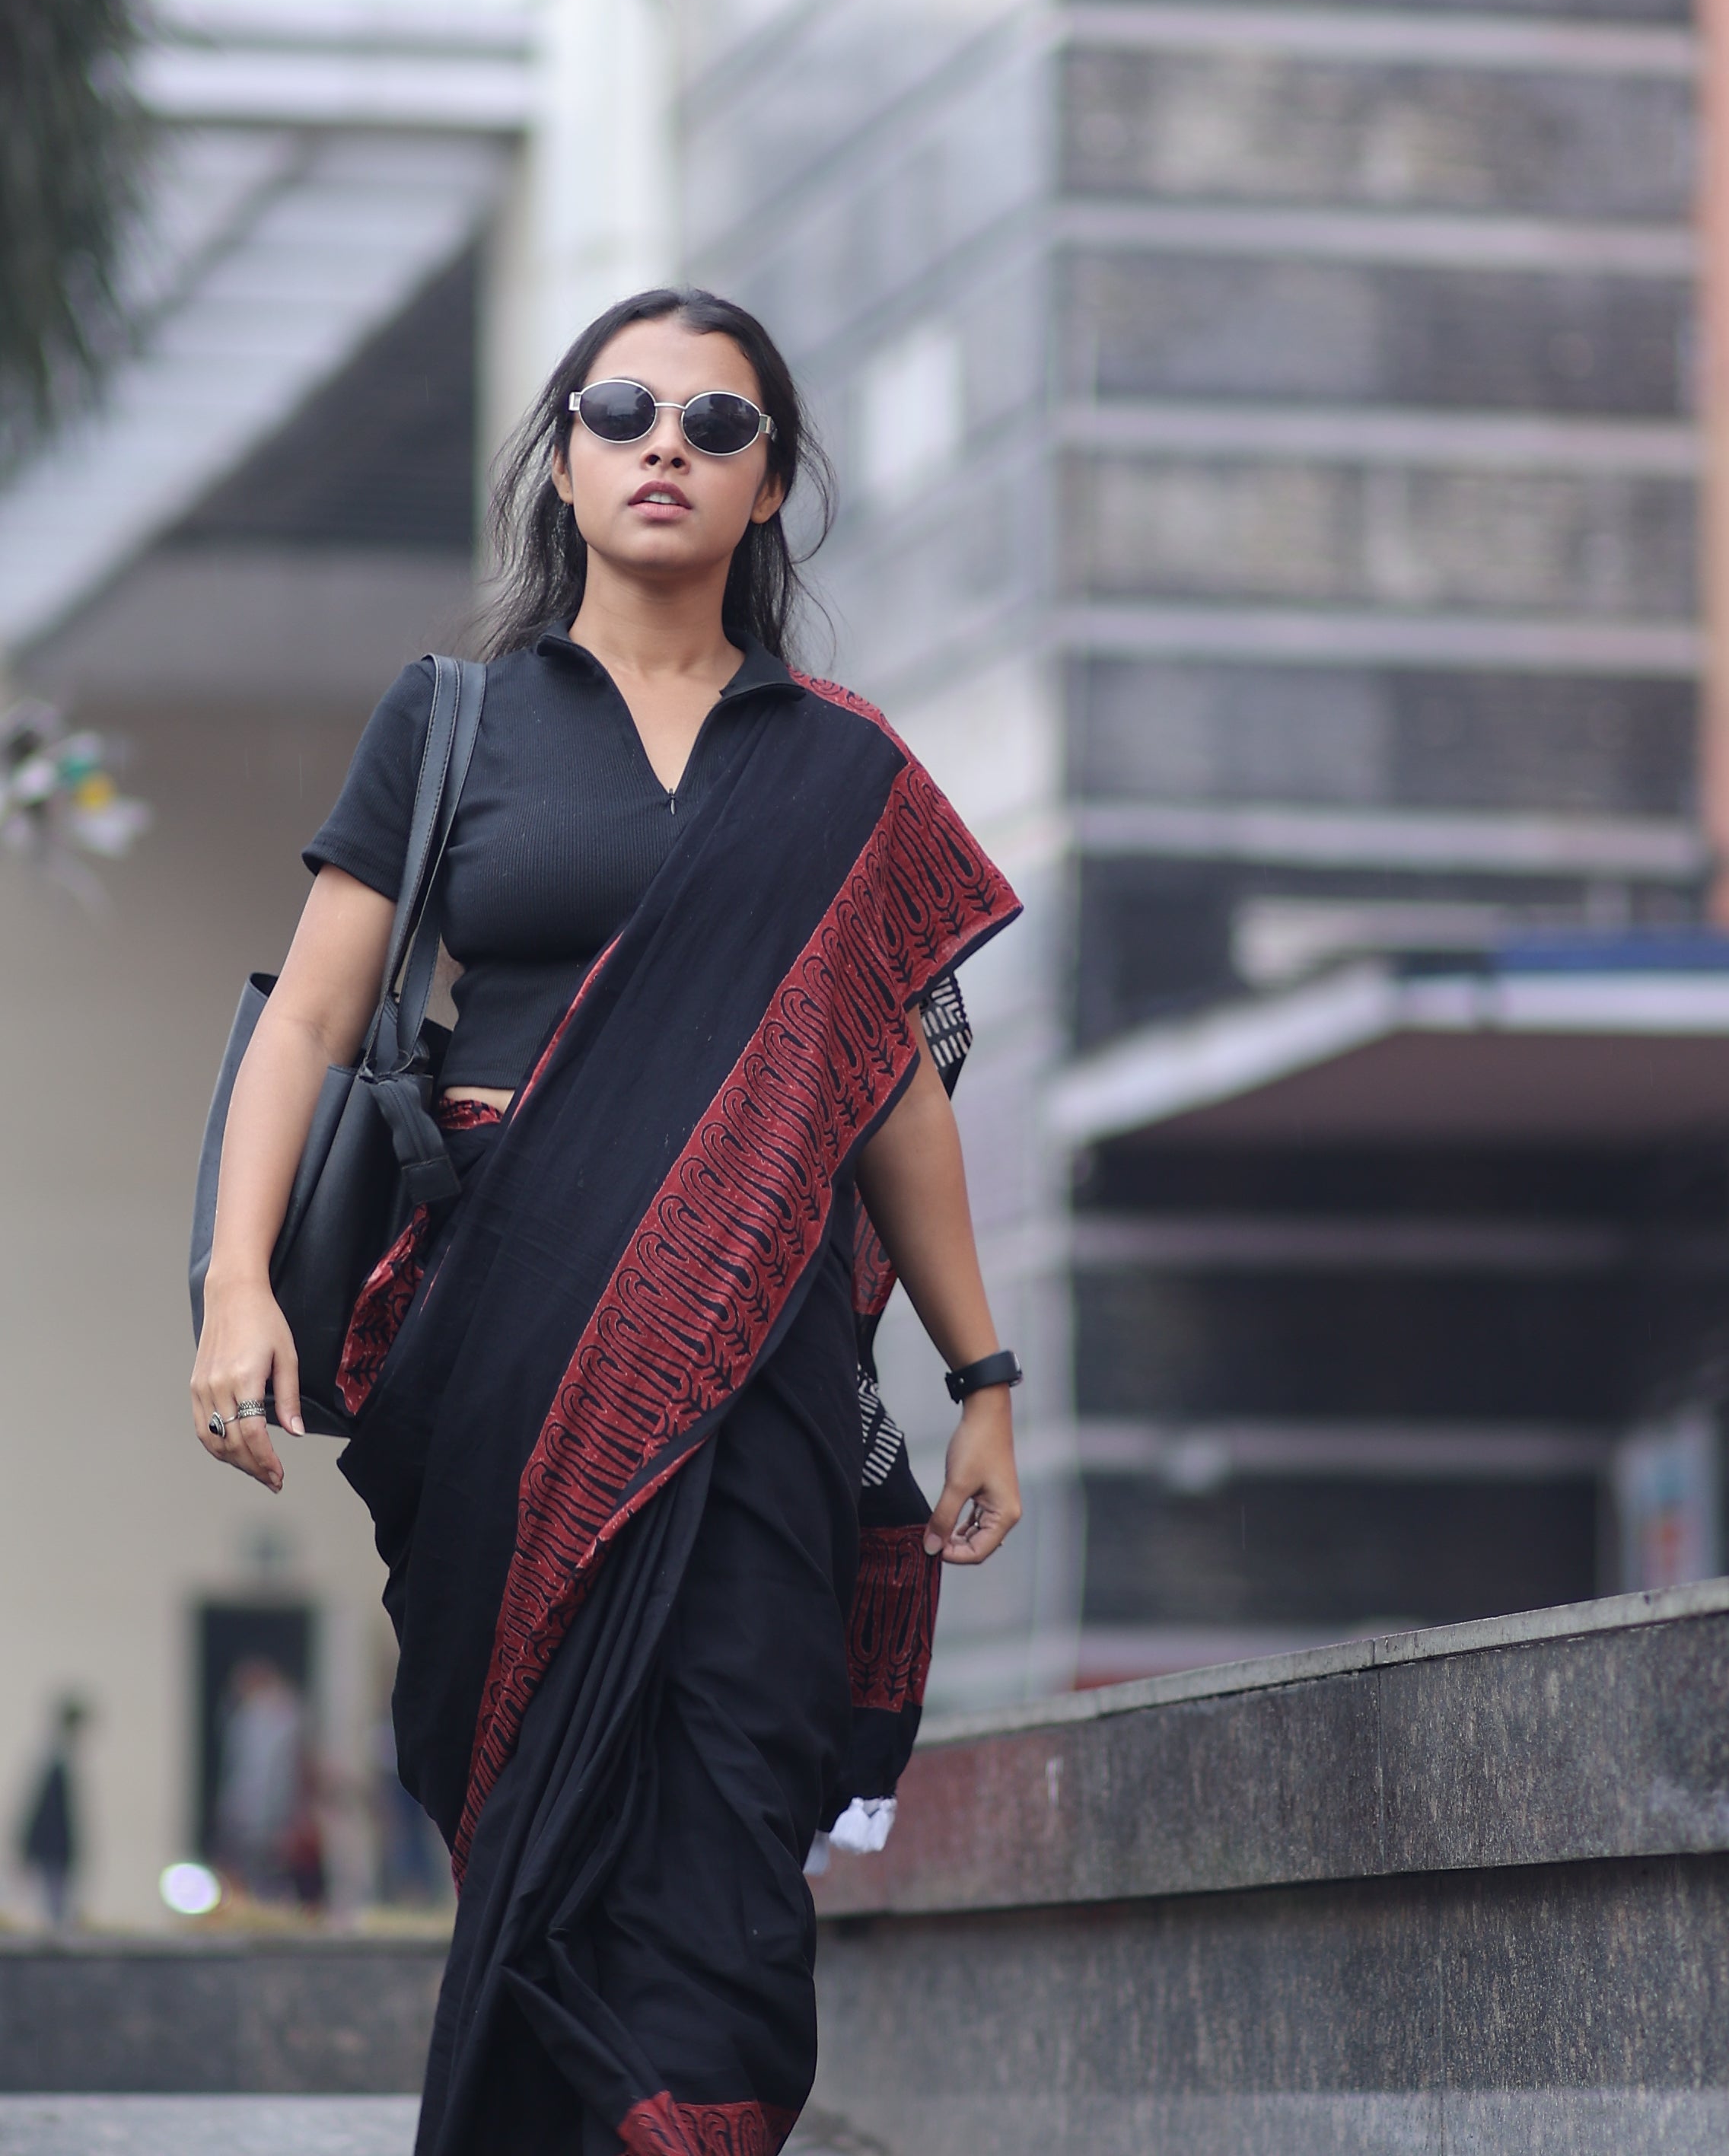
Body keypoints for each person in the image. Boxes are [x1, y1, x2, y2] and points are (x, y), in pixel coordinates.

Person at [190, 287, 1023, 2156]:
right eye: (621, 412)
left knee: (734, 1803)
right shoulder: (451, 719)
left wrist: (981, 1375)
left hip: (759, 1379)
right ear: (559, 461)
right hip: (496, 1350)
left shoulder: (842, 770)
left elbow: (893, 1091)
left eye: (715, 425)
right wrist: (237, 1284)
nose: (665, 447)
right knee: (531, 1812)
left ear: (769, 486)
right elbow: (308, 1021)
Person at [212, 1657, 325, 1909]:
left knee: (273, 1878)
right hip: (253, 1818)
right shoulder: (248, 1718)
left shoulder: (277, 1720)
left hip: (267, 1819)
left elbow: (272, 1777)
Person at [18, 1696, 88, 1929]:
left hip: (56, 1851)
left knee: (55, 1907)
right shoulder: (57, 1763)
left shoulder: (57, 1760)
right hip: (53, 1851)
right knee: (54, 1909)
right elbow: (45, 1812)